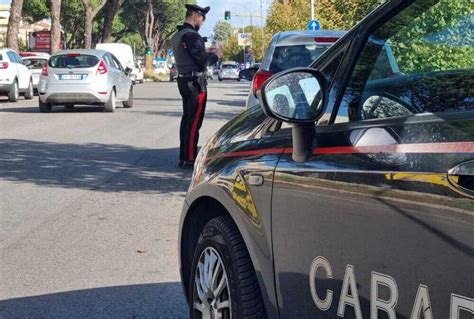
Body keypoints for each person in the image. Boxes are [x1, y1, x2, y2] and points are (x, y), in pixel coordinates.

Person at [171, 4, 223, 169]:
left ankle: (183, 156)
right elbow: (203, 61)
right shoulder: (191, 35)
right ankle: (190, 159)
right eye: (201, 19)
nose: (202, 23)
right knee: (194, 123)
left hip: (183, 80)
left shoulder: (178, 34)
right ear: (195, 16)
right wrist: (215, 56)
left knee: (187, 120)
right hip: (195, 83)